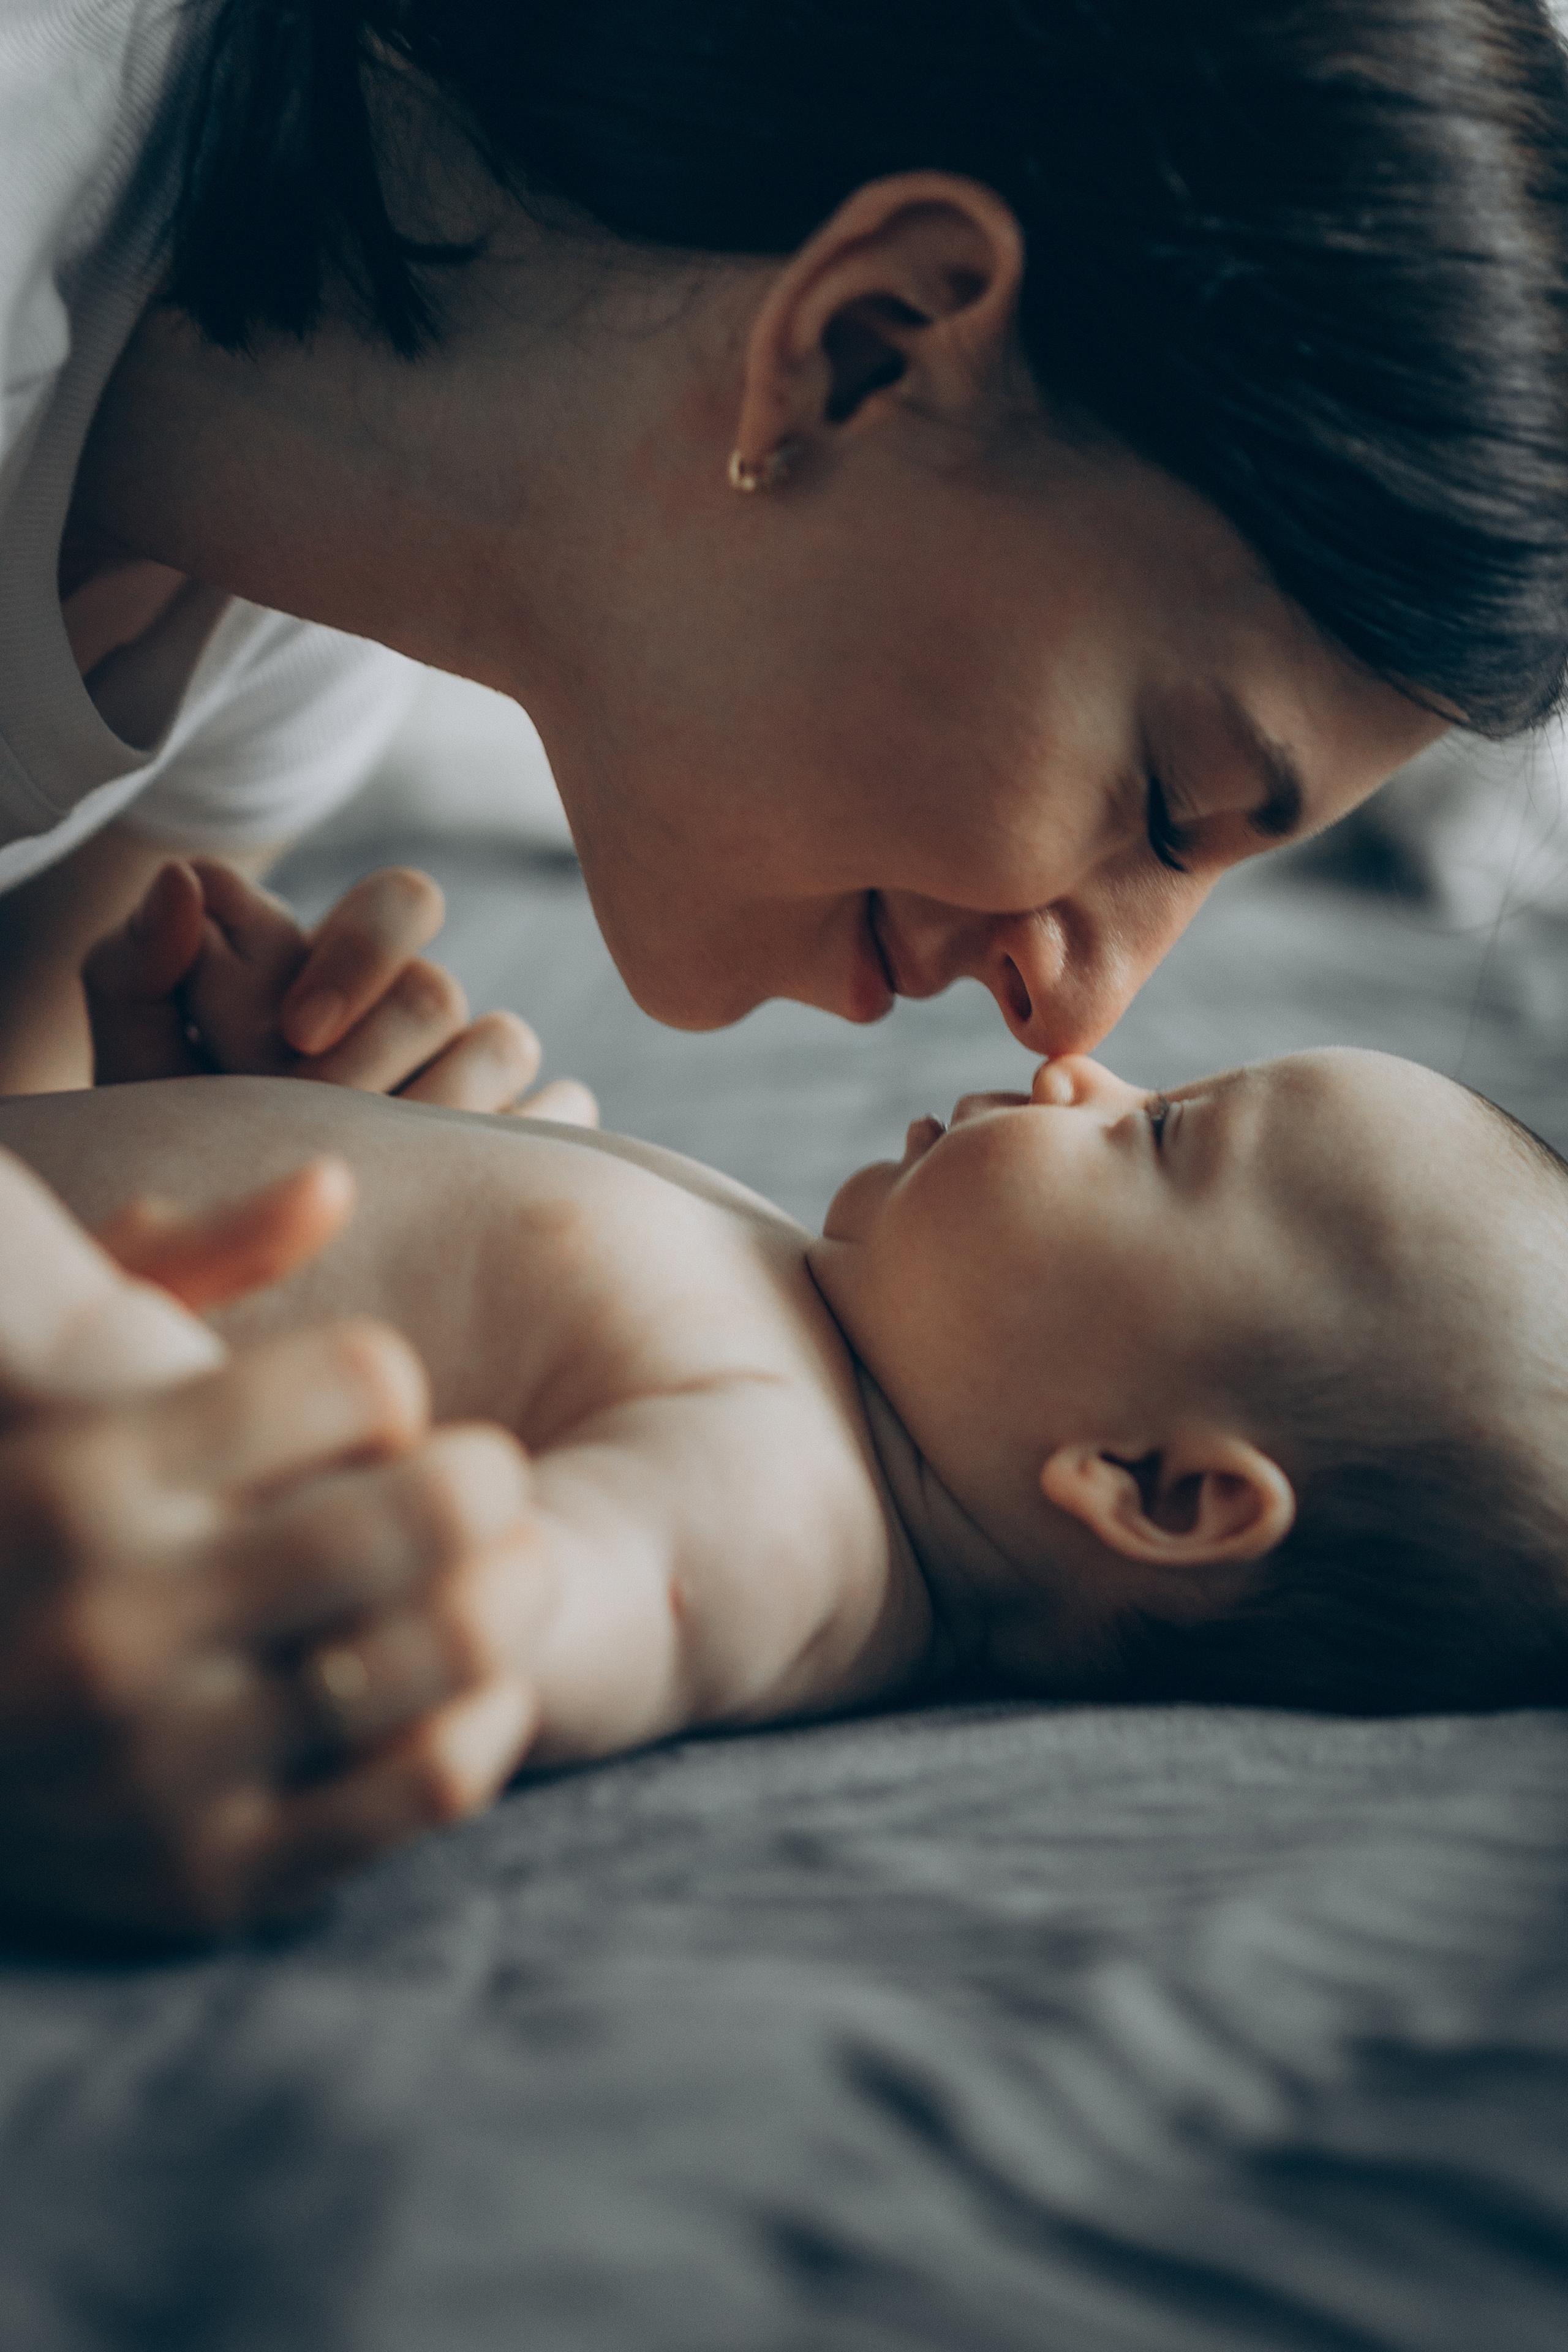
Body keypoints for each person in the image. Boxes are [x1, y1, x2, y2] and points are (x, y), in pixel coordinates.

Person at [7, 0, 1568, 1931]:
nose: (1084, 1016)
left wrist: (212, 1187)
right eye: (1166, 800)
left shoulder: (265, 675)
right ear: (868, 346)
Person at [6, 1005, 1566, 1938]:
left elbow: (507, 1612)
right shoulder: (831, 1319)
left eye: (1157, 1138)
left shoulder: (786, 1522)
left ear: (1150, 1487)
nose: (1083, 1073)